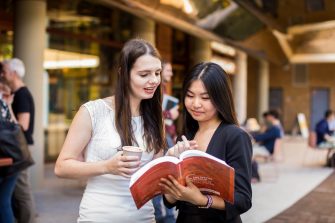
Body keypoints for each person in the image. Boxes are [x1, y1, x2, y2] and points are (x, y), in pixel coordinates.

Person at [54, 39, 167, 222]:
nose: (153, 80)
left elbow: (154, 177)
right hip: (98, 216)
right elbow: (61, 167)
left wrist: (174, 159)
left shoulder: (156, 117)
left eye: (157, 73)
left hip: (143, 217)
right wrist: (106, 167)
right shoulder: (92, 112)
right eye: (144, 74)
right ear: (123, 73)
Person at [160, 62, 252, 222]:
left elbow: (243, 199)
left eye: (205, 98)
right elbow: (169, 201)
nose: (196, 104)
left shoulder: (235, 136)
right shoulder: (186, 134)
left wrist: (202, 200)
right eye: (189, 96)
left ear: (220, 98)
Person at [1, 58, 36, 223]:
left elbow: (23, 126)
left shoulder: (21, 94)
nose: (2, 74)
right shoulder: (16, 93)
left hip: (19, 148)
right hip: (16, 147)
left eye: (4, 71)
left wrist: (8, 106)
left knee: (22, 193)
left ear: (13, 74)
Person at [153, 61, 178, 223]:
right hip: (159, 135)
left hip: (167, 134)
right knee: (161, 173)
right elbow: (155, 113)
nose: (171, 74)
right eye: (168, 70)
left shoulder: (163, 90)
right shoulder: (155, 90)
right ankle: (163, 215)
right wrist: (170, 114)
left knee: (166, 173)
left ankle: (165, 214)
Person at [0, 63, 19, 223]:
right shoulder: (5, 105)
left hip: (7, 159)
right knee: (4, 200)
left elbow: (18, 127)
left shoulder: (3, 106)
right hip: (13, 157)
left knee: (3, 201)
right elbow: (16, 127)